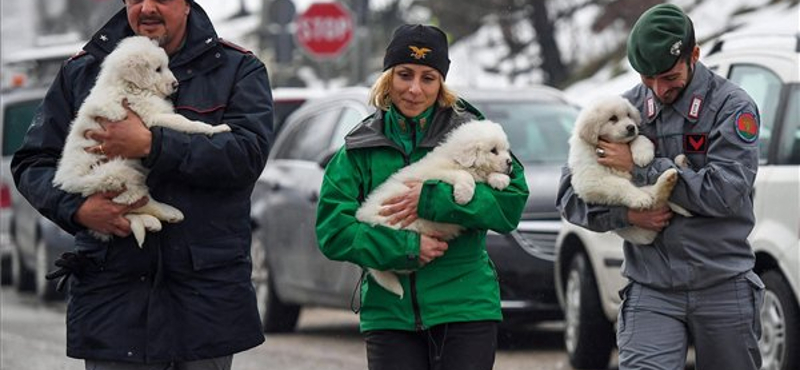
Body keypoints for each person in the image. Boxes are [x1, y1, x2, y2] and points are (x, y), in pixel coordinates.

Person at [11, 0, 273, 368]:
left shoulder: (237, 69)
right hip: (114, 302)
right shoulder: (83, 70)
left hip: (203, 303)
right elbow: (32, 162)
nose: (146, 7)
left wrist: (153, 145)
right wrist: (79, 209)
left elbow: (247, 155)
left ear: (185, 4)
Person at [557, 4, 763, 370]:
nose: (657, 88)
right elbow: (570, 196)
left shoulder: (731, 108)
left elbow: (724, 194)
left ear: (694, 55)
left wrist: (645, 166)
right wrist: (627, 213)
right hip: (651, 287)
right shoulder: (621, 110)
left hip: (722, 283)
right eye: (646, 78)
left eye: (668, 76)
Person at [315, 24, 529, 370]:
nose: (414, 89)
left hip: (464, 307)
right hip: (389, 316)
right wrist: (406, 249)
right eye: (404, 74)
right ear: (388, 77)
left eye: (428, 78)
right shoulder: (358, 149)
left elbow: (511, 205)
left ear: (441, 83)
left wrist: (434, 200)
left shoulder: (473, 133)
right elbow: (333, 232)